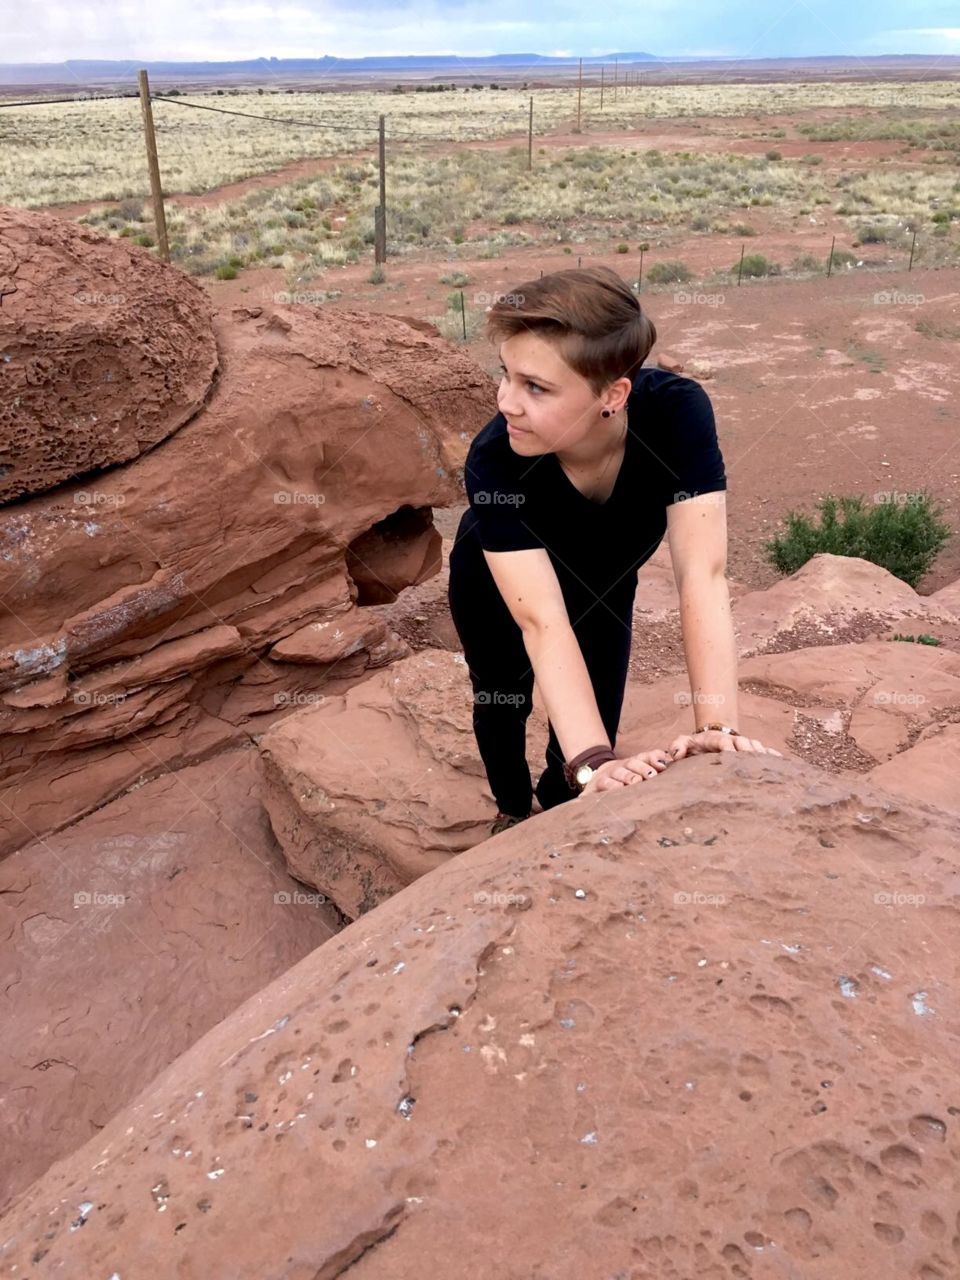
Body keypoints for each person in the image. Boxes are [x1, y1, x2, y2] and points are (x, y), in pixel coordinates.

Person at [447, 266, 781, 838]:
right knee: (502, 700)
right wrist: (595, 764)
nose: (506, 402)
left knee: (597, 708)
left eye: (536, 387)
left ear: (613, 393)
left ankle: (561, 800)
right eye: (505, 375)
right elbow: (542, 621)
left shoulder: (677, 415)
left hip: (605, 586)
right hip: (499, 590)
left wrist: (715, 725)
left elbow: (702, 573)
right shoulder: (495, 459)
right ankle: (509, 807)